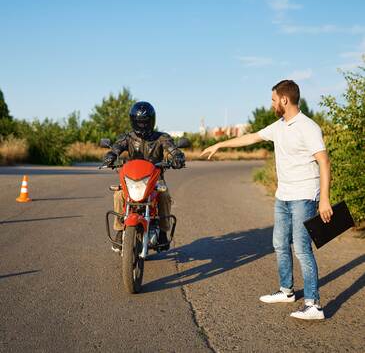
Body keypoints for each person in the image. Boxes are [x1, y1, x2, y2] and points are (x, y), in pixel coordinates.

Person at [201, 80, 332, 320]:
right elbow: (250, 138)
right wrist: (220, 144)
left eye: (273, 100)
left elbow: (324, 161)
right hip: (283, 196)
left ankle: (314, 305)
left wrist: (324, 199)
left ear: (284, 100)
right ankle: (287, 291)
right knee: (280, 244)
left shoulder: (307, 127)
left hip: (304, 196)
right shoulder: (279, 126)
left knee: (302, 249)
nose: (271, 104)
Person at [103, 101, 185, 251]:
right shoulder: (127, 137)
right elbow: (116, 147)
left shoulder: (161, 138)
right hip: (132, 178)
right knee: (118, 195)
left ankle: (163, 231)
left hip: (155, 179)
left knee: (164, 195)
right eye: (139, 122)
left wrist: (177, 156)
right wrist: (110, 154)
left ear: (152, 121)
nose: (142, 125)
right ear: (133, 121)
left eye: (145, 122)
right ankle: (120, 230)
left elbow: (172, 149)